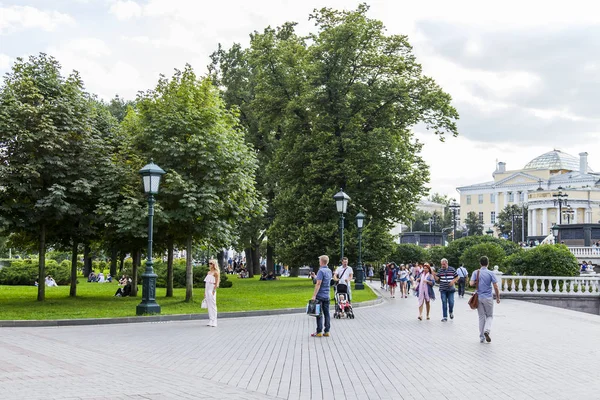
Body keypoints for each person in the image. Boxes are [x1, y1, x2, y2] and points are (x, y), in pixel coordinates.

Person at [470, 256, 501, 343]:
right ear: (488, 263)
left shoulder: (476, 272)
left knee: (481, 317)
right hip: (488, 297)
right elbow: (495, 286)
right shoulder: (491, 273)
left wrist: (477, 281)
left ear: (480, 263)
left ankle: (482, 337)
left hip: (479, 297)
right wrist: (498, 297)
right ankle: (487, 330)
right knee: (490, 316)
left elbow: (471, 283)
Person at [310, 255, 333, 337]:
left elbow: (318, 283)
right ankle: (327, 331)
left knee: (319, 313)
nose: (319, 262)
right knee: (327, 313)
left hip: (320, 295)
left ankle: (319, 331)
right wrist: (315, 277)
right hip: (327, 295)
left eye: (319, 261)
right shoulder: (329, 271)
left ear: (322, 262)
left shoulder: (321, 271)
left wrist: (314, 295)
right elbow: (325, 281)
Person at [204, 259, 220, 327]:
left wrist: (214, 290)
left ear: (214, 264)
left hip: (212, 289)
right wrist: (205, 292)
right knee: (209, 305)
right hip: (207, 289)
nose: (209, 265)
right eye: (209, 263)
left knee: (213, 305)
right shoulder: (209, 272)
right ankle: (211, 319)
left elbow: (217, 283)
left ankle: (214, 320)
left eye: (211, 263)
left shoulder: (216, 272)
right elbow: (206, 283)